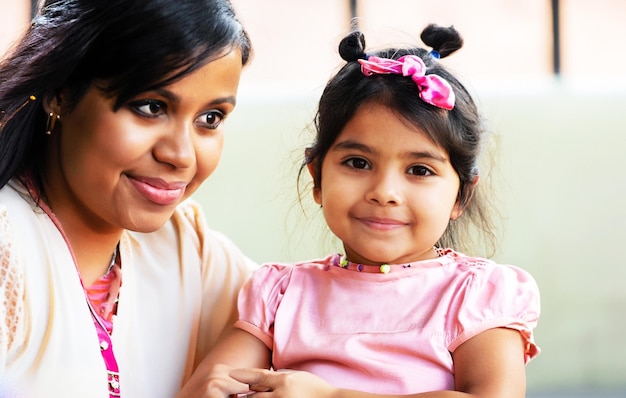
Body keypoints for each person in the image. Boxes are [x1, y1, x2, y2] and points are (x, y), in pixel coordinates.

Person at [179, 24, 541, 398]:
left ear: (461, 197)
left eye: (419, 170)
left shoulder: (474, 296)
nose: (384, 193)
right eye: (357, 162)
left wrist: (330, 396)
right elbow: (211, 385)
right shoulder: (280, 296)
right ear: (317, 177)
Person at [0, 0, 258, 397]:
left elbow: (330, 317)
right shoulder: (7, 249)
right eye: (151, 107)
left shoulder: (191, 249)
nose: (181, 155)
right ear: (60, 95)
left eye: (210, 119)